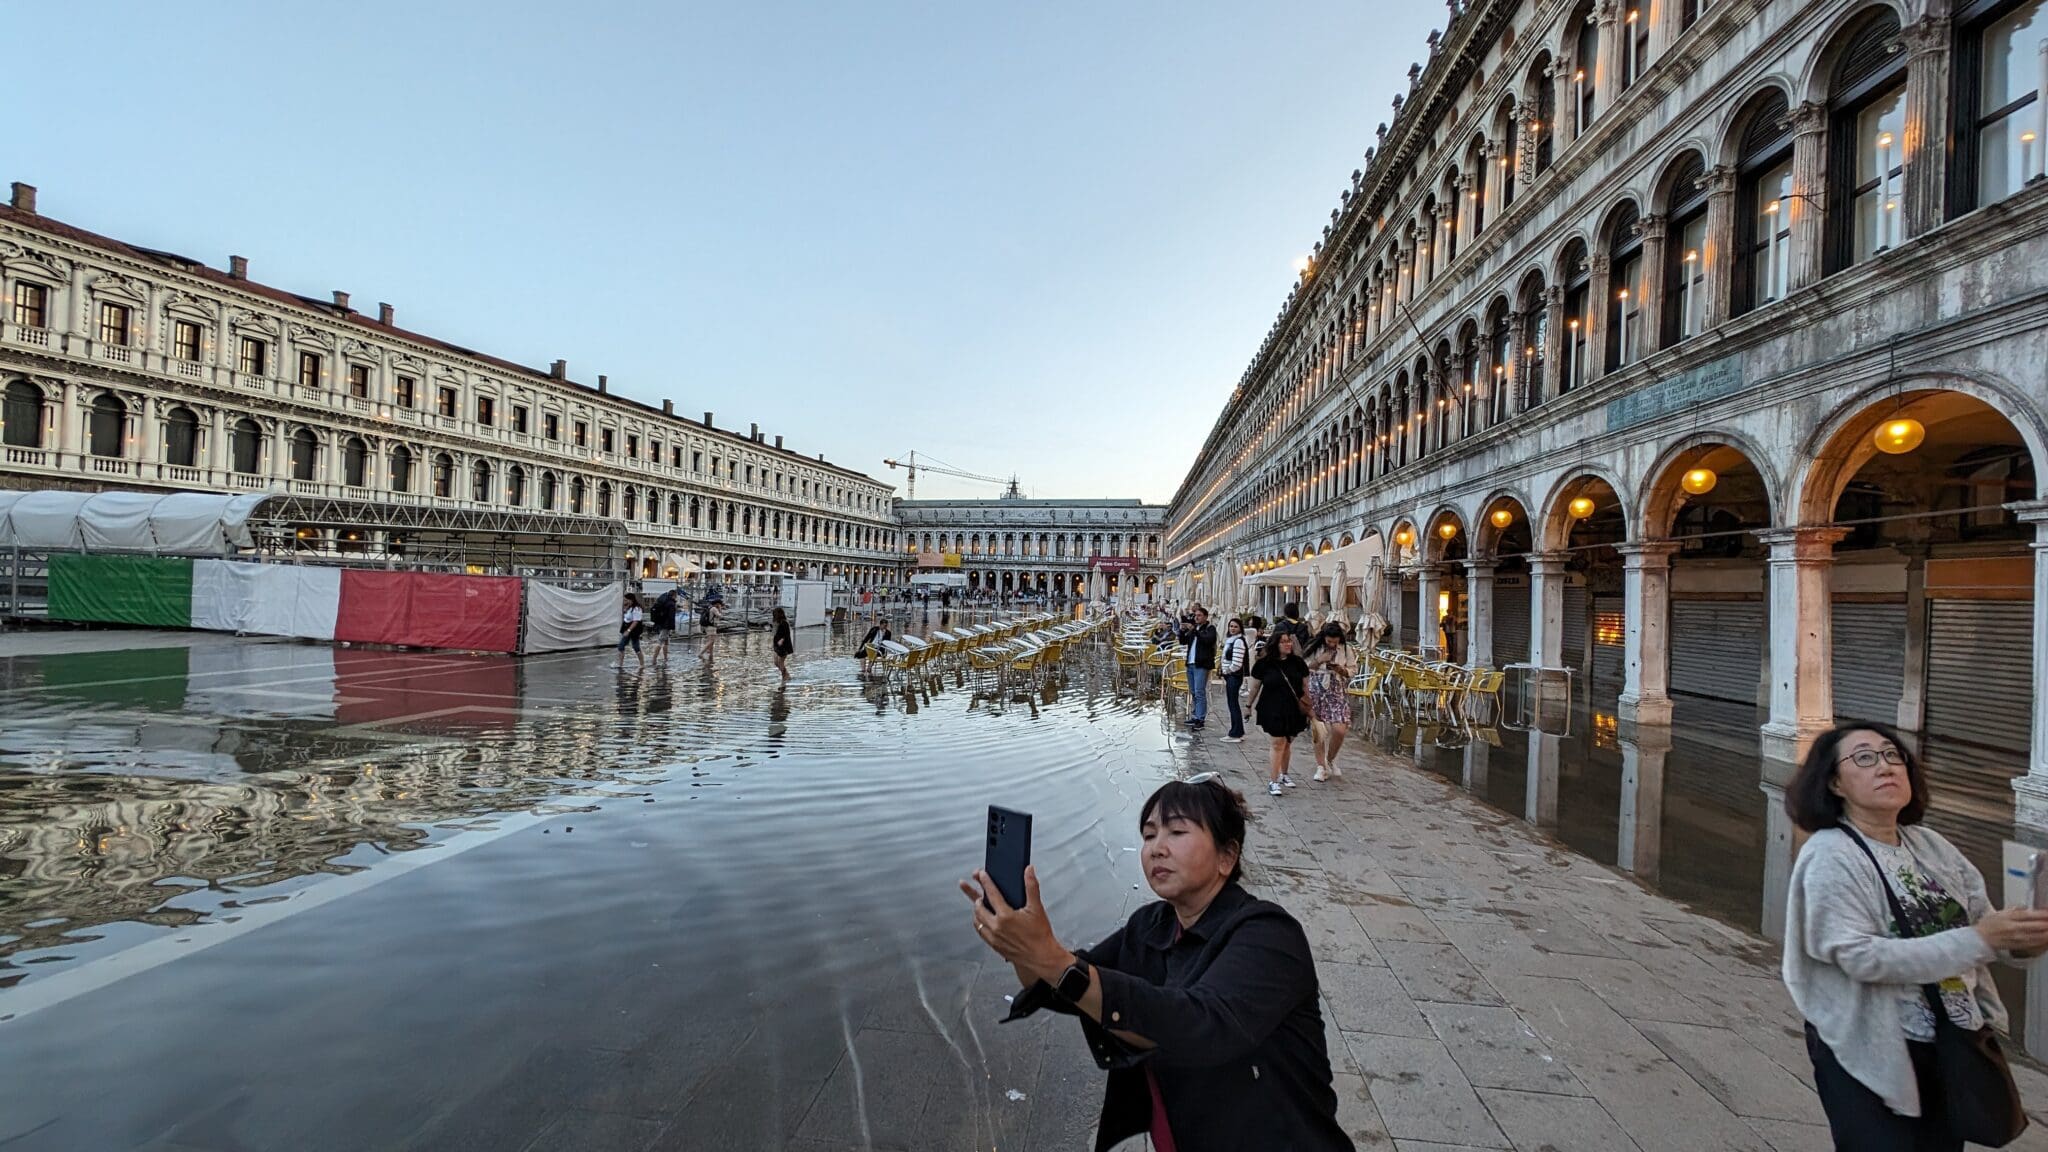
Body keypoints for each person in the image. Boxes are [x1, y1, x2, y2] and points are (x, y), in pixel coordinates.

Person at [961, 776, 1354, 1152]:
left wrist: (1051, 958)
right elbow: (1068, 988)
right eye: (1149, 835)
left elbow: (1200, 1025)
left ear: (1227, 856)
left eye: (1177, 832)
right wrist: (1023, 947)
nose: (1156, 848)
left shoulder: (1269, 935)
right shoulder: (1152, 925)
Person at [1782, 722, 2048, 1150]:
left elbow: (1986, 928)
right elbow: (1860, 957)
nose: (1885, 766)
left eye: (1893, 755)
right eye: (1864, 758)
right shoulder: (1830, 855)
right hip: (1874, 1050)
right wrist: (1982, 938)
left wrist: (2026, 937)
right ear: (1835, 782)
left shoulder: (1931, 846)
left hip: (1950, 1044)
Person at [1244, 631, 1310, 797]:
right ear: (1275, 645)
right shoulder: (1265, 664)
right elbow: (1255, 687)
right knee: (1278, 743)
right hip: (1271, 707)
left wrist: (1310, 708)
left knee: (1287, 742)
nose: (1288, 644)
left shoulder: (1298, 663)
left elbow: (1305, 688)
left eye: (1289, 641)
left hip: (1293, 708)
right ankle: (1273, 781)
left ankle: (1284, 774)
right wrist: (1248, 705)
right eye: (1284, 642)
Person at [1304, 623, 1355, 782]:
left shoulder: (1345, 649)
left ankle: (1330, 759)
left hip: (1336, 690)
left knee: (1339, 729)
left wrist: (1341, 670)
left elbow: (1352, 670)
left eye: (1335, 641)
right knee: (1319, 730)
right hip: (1316, 689)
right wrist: (1319, 660)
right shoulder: (1314, 647)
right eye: (1329, 641)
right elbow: (1304, 668)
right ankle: (1321, 766)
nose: (1332, 644)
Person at [1178, 605, 1217, 729]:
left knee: (1200, 691)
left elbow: (1207, 640)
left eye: (1199, 615)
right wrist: (1182, 630)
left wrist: (1195, 630)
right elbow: (1183, 641)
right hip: (1190, 663)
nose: (1196, 617)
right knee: (1194, 691)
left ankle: (1200, 718)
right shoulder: (1195, 629)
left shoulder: (1210, 629)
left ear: (1205, 617)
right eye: (1196, 615)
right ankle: (1195, 716)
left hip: (1201, 664)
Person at [1218, 617, 1249, 743]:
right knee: (1232, 703)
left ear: (1240, 628)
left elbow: (1237, 663)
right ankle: (1237, 730)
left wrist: (1227, 671)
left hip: (1234, 676)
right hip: (1230, 676)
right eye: (1231, 626)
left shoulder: (1239, 642)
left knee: (1233, 704)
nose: (1232, 628)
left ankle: (1235, 732)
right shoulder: (1231, 640)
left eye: (1235, 626)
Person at [615, 592, 646, 670]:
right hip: (626, 627)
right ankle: (620, 664)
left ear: (631, 600)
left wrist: (628, 630)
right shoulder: (628, 607)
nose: (624, 601)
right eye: (624, 600)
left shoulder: (637, 609)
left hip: (634, 630)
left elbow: (636, 621)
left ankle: (642, 664)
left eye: (626, 600)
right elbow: (626, 618)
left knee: (636, 647)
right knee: (621, 646)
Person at [649, 586, 680, 661]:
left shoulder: (665, 602)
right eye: (676, 596)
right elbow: (671, 617)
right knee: (660, 641)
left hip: (662, 623)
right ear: (674, 595)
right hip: (666, 625)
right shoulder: (671, 604)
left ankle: (666, 658)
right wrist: (673, 628)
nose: (677, 597)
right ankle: (654, 658)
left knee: (666, 642)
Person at [771, 606, 794, 682]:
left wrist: (782, 639)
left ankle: (785, 676)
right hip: (776, 645)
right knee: (776, 662)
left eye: (775, 614)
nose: (774, 616)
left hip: (783, 646)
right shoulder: (775, 622)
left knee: (780, 663)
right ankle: (786, 675)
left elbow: (787, 633)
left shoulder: (784, 623)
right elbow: (774, 633)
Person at [699, 591, 722, 666]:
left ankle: (711, 655)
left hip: (708, 626)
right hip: (712, 627)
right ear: (717, 604)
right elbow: (720, 616)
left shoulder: (710, 607)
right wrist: (720, 609)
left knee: (711, 641)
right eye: (720, 604)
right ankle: (701, 653)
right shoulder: (714, 609)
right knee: (711, 641)